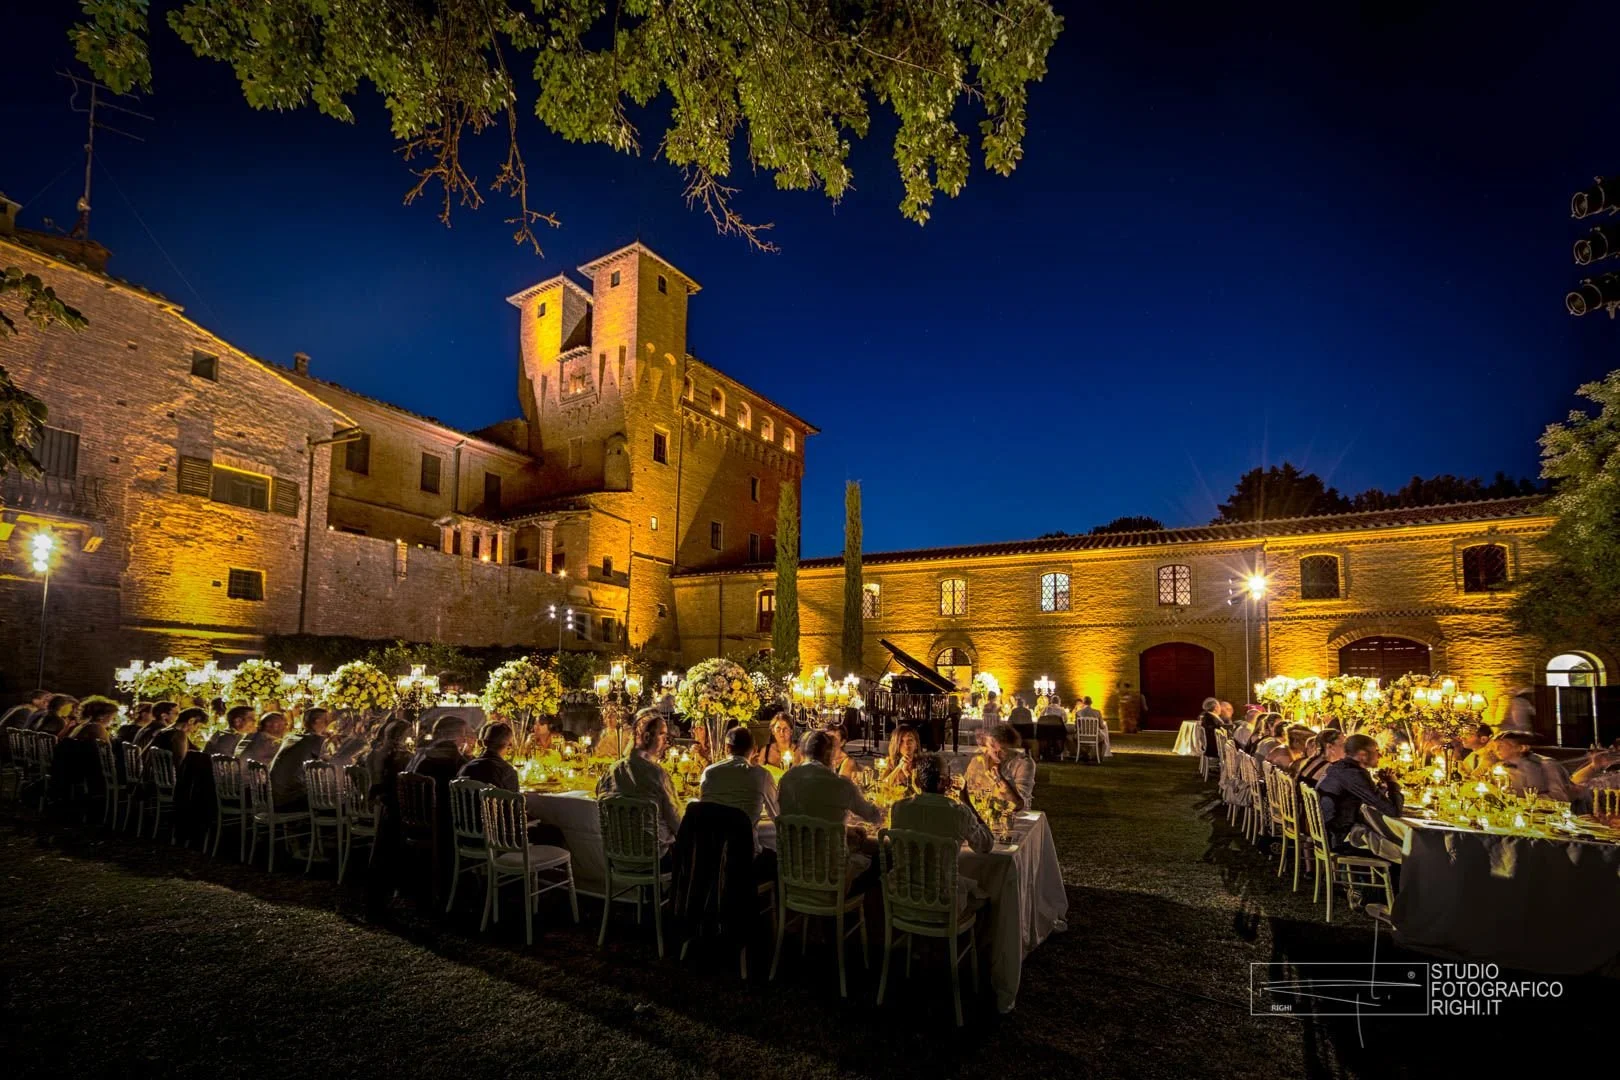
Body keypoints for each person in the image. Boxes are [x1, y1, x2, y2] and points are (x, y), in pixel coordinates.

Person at [778, 729, 883, 889]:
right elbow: (874, 816)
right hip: (831, 876)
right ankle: (851, 912)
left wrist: (845, 829)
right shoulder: (840, 785)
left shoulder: (786, 780)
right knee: (879, 858)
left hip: (794, 872)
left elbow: (806, 819)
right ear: (829, 754)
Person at [596, 708, 682, 858]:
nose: (666, 740)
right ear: (647, 737)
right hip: (655, 857)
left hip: (618, 855)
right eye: (662, 734)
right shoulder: (657, 773)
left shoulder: (612, 770)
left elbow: (599, 796)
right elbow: (677, 823)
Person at [1315, 733, 1404, 851]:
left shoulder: (1337, 767)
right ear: (1362, 755)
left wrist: (1382, 786)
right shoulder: (1354, 774)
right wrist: (1393, 784)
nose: (1380, 755)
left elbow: (1368, 797)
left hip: (1326, 832)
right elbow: (1394, 811)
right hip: (1338, 838)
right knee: (1403, 848)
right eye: (1377, 751)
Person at [890, 754, 992, 856]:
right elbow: (986, 845)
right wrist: (966, 801)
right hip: (943, 872)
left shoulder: (899, 808)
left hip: (905, 872)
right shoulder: (960, 814)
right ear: (947, 782)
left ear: (916, 782)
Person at [699, 725, 780, 849]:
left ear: (727, 748)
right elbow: (777, 816)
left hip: (711, 851)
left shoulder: (709, 772)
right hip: (745, 853)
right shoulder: (761, 775)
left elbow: (703, 808)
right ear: (754, 749)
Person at [1492, 731, 1620, 804]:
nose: (1496, 750)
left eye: (1502, 745)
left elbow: (1562, 797)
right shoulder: (1500, 768)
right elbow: (1576, 781)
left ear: (1521, 748)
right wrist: (1593, 767)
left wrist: (1522, 798)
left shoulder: (1546, 765)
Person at [269, 707, 333, 812]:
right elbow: (331, 762)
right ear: (318, 721)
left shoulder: (292, 737)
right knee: (331, 799)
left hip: (274, 796)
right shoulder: (315, 740)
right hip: (288, 801)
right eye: (327, 720)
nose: (329, 723)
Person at [964, 724, 1036, 811]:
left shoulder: (1022, 763)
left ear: (1012, 748)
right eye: (992, 747)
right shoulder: (978, 761)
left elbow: (1018, 804)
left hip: (1014, 815)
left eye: (1003, 750)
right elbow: (966, 790)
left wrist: (999, 778)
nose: (996, 754)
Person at [458, 721, 520, 791]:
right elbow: (514, 800)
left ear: (484, 743)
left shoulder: (467, 768)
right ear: (509, 745)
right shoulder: (508, 773)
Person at [882, 724, 923, 790]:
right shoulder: (889, 762)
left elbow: (922, 791)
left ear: (916, 744)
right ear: (896, 744)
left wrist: (905, 771)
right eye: (901, 741)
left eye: (910, 740)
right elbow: (882, 786)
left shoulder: (923, 764)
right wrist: (899, 767)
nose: (906, 745)